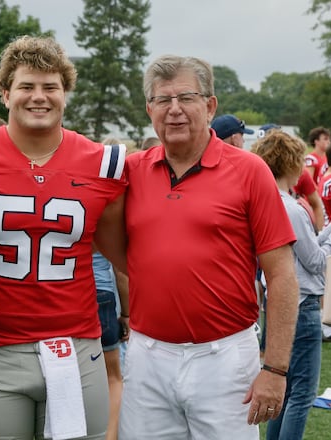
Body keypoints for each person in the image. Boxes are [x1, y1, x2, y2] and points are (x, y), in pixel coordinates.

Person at [119, 55, 298, 440]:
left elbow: (282, 275)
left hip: (224, 359)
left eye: (187, 97)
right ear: (149, 109)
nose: (175, 110)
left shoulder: (249, 171)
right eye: (163, 100)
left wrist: (276, 368)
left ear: (210, 105)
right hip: (148, 356)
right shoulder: (130, 172)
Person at [0, 36, 127, 440]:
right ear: (5, 93)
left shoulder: (103, 163)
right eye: (26, 86)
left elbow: (122, 253)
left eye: (50, 87)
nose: (39, 97)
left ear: (65, 93)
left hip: (76, 345)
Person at [252, 130, 331, 440]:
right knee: (301, 394)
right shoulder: (292, 208)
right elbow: (317, 262)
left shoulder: (266, 202)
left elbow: (302, 250)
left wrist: (330, 229)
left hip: (278, 300)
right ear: (291, 163)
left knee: (285, 390)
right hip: (302, 304)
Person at [91, 250, 128, 440]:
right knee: (112, 378)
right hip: (100, 293)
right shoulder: (105, 218)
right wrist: (128, 315)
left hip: (63, 294)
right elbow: (121, 270)